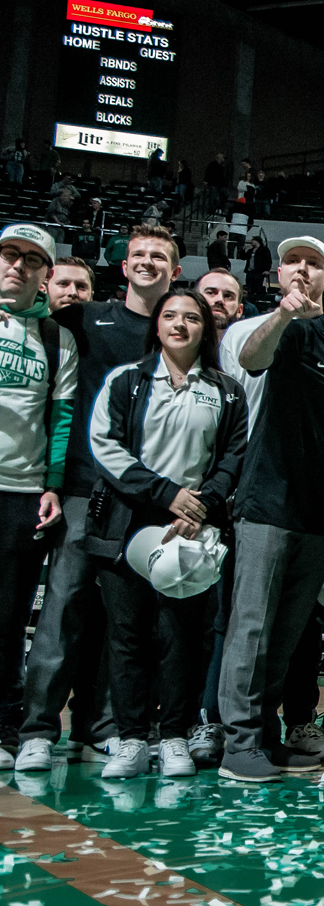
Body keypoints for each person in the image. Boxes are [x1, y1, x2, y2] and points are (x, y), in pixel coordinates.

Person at [14, 225, 183, 773]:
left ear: (175, 270)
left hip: (143, 501)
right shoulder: (83, 319)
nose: (148, 262)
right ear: (124, 264)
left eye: (159, 256)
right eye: (139, 254)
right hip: (86, 490)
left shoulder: (179, 333)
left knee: (121, 622)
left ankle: (98, 728)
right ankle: (38, 728)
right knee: (62, 609)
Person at [213, 251, 324, 783]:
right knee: (252, 628)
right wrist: (285, 313)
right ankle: (237, 742)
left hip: (319, 513)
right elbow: (253, 360)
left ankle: (264, 735)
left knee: (286, 637)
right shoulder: (298, 333)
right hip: (267, 503)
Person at [90, 288, 247, 779]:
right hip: (129, 522)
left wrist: (200, 505)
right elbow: (106, 448)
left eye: (191, 318)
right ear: (156, 325)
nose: (180, 325)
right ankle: (133, 739)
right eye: (170, 316)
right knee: (128, 634)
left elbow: (233, 457)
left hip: (194, 526)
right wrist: (165, 494)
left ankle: (175, 735)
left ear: (206, 329)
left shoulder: (225, 390)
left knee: (183, 637)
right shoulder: (126, 382)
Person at [0, 225, 78, 767]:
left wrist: (52, 486)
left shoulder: (56, 339)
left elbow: (63, 416)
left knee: (8, 618)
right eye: (9, 255)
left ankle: (5, 725)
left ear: (44, 275)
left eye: (31, 260)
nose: (18, 266)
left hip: (23, 491)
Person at [195, 270, 245, 337]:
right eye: (210, 293)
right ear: (194, 301)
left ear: (239, 310)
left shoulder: (250, 346)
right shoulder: (177, 345)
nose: (219, 300)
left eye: (228, 296)